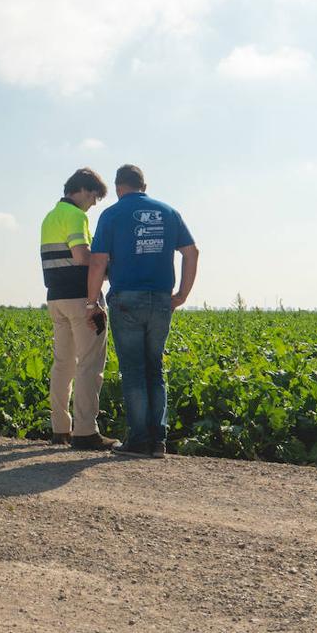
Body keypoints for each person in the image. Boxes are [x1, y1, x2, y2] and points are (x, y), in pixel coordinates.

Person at [86, 165, 199, 458]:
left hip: (126, 300)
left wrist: (91, 303)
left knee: (134, 371)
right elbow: (191, 252)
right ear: (144, 185)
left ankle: (139, 440)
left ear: (119, 187)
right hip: (162, 299)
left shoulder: (111, 215)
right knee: (155, 369)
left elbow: (98, 262)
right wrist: (182, 294)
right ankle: (158, 441)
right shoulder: (168, 212)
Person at [40, 168, 120, 450]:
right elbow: (82, 256)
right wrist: (109, 268)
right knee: (90, 364)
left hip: (56, 299)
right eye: (95, 197)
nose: (94, 204)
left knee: (63, 364)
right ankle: (86, 431)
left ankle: (61, 429)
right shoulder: (76, 216)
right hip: (80, 299)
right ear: (84, 190)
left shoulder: (50, 217)